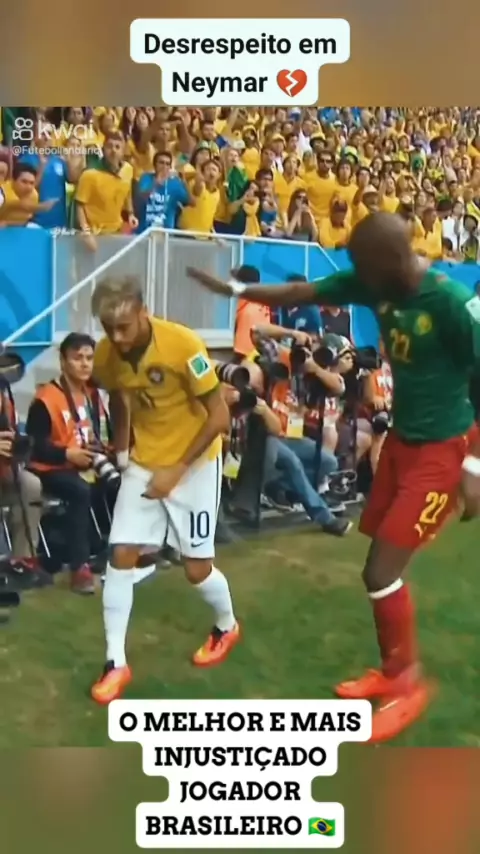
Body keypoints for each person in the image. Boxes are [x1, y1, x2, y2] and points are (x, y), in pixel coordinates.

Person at [187, 211, 480, 744]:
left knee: (382, 570)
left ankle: (409, 685)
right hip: (403, 443)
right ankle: (392, 671)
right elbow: (300, 291)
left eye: (362, 265)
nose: (356, 275)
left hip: (441, 450)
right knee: (376, 568)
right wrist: (235, 289)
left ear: (390, 261)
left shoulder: (451, 303)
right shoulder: (376, 280)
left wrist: (473, 465)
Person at [88, 275, 238, 704]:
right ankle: (115, 662)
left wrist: (177, 470)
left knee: (196, 570)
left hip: (195, 464)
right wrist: (122, 452)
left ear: (144, 312)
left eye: (124, 327)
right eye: (108, 328)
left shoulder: (183, 345)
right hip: (145, 463)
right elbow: (118, 396)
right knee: (121, 553)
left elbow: (220, 417)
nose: (117, 337)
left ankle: (227, 625)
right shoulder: (107, 355)